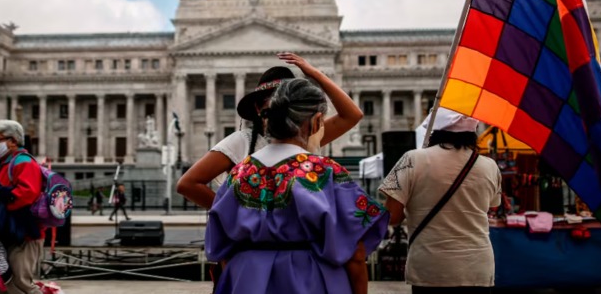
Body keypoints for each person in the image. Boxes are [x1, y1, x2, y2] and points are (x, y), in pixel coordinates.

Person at [206, 78, 388, 294]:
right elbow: (355, 253)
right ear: (316, 121)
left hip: (246, 279)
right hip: (310, 279)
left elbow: (221, 246)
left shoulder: (239, 173)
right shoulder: (325, 172)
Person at [178, 52, 364, 209]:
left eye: (288, 100)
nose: (281, 105)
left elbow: (352, 115)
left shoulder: (306, 137)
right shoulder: (241, 140)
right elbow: (188, 184)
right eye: (275, 101)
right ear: (259, 109)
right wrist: (233, 214)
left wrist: (316, 74)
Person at [378, 108, 502, 293]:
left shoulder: (412, 159)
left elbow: (392, 217)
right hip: (477, 267)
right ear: (472, 132)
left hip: (431, 267)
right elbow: (493, 204)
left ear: (436, 129)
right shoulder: (490, 166)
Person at [0, 120, 43, 294]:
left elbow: (27, 193)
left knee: (20, 283)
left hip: (22, 234)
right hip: (6, 233)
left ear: (13, 141)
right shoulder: (4, 165)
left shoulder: (23, 162)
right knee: (3, 284)